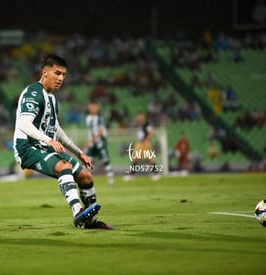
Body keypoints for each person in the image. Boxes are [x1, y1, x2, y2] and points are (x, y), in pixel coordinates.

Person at [13, 54, 113, 230]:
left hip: (45, 146)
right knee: (64, 167)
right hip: (27, 148)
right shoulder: (34, 92)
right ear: (45, 72)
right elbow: (23, 124)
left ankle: (90, 222)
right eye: (57, 73)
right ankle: (77, 212)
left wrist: (79, 152)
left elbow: (57, 130)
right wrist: (48, 140)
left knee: (86, 176)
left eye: (63, 75)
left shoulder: (51, 97)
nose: (60, 78)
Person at [84, 100, 114, 186]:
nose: (92, 108)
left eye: (94, 106)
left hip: (99, 143)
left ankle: (110, 180)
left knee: (105, 161)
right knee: (88, 161)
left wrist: (91, 140)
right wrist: (90, 141)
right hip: (93, 145)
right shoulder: (88, 118)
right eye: (90, 106)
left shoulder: (100, 118)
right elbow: (91, 132)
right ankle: (86, 180)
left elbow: (100, 132)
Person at [123, 112, 161, 181]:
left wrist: (146, 140)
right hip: (140, 143)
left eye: (139, 117)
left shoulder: (147, 124)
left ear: (143, 117)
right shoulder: (141, 125)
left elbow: (151, 132)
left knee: (148, 158)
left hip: (144, 143)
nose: (138, 118)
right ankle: (132, 174)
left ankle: (155, 173)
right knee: (138, 158)